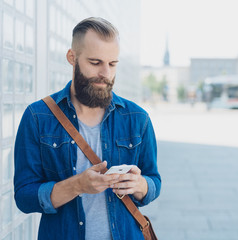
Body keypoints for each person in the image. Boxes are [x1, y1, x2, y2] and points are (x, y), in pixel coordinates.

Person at [13, 17, 161, 240]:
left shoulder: (138, 118)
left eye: (112, 64)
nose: (106, 73)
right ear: (72, 57)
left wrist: (139, 184)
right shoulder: (37, 117)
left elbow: (154, 182)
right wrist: (77, 185)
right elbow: (24, 197)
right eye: (95, 62)